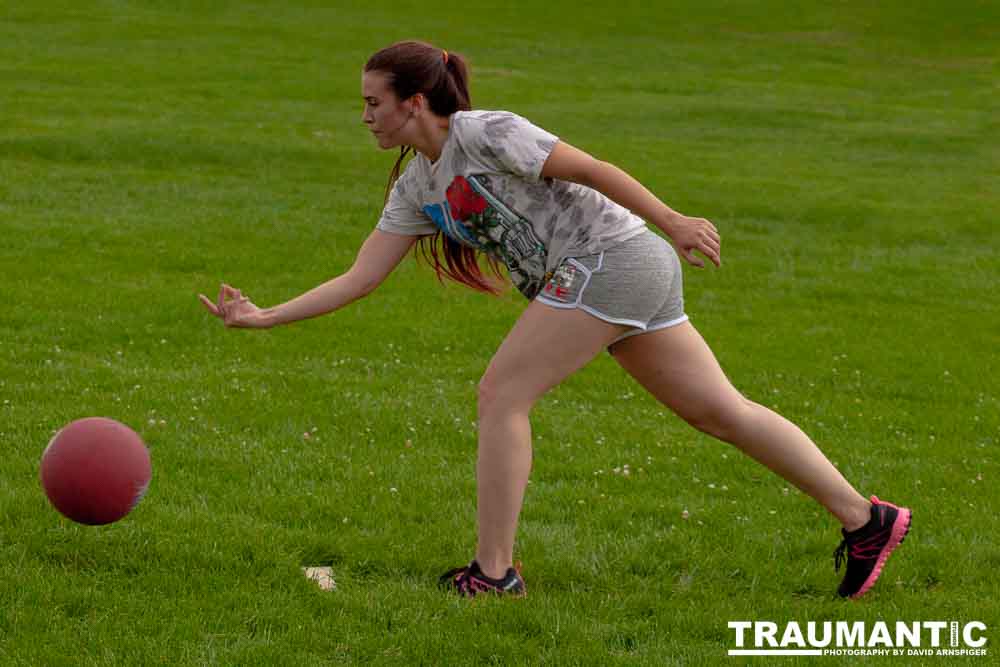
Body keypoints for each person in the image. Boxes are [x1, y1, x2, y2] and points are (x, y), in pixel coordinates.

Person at [199, 40, 911, 599]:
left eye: (372, 103)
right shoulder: (419, 185)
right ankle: (864, 518)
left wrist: (673, 219)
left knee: (501, 393)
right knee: (720, 412)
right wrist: (263, 318)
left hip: (616, 256)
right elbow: (361, 277)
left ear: (414, 102)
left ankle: (493, 573)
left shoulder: (486, 132)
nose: (364, 117)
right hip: (615, 273)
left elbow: (593, 168)